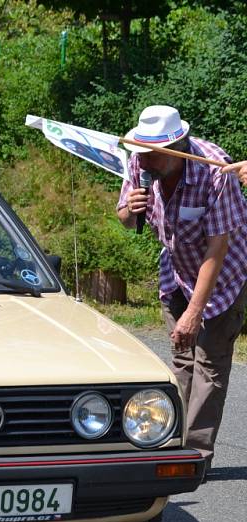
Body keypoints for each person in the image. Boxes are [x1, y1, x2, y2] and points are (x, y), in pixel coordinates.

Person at [117, 105, 247, 476]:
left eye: (149, 152)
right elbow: (125, 219)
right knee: (181, 360)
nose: (141, 159)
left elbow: (217, 249)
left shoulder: (214, 171)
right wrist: (129, 210)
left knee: (208, 364)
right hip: (176, 270)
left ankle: (195, 456)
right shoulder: (140, 163)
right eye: (139, 151)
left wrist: (195, 312)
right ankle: (169, 441)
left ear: (175, 148)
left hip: (221, 277)